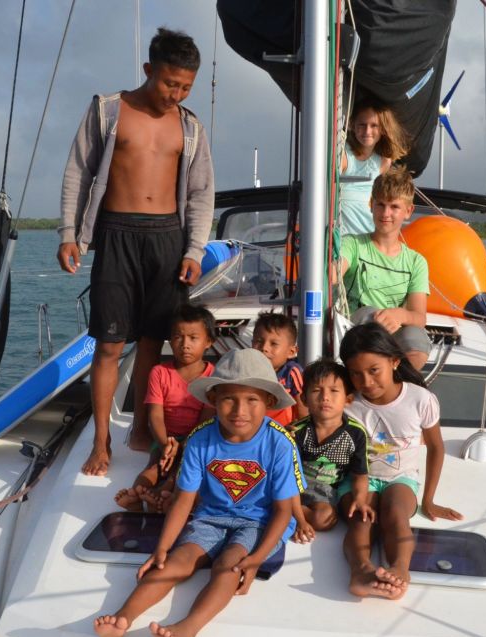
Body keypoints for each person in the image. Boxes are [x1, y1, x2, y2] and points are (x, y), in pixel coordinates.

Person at [57, 27, 214, 475]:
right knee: (108, 343)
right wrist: (69, 234)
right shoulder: (108, 110)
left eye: (185, 87)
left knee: (151, 341)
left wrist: (194, 250)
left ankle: (143, 429)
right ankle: (101, 440)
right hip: (116, 233)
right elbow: (78, 173)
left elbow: (201, 192)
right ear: (148, 70)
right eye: (169, 83)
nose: (175, 94)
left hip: (167, 237)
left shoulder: (190, 126)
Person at [93, 348, 305, 637]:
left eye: (252, 400)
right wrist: (162, 548)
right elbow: (184, 499)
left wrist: (256, 559)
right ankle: (121, 620)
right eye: (229, 399)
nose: (240, 410)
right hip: (211, 517)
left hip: (259, 522)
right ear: (214, 400)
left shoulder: (279, 443)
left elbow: (284, 510)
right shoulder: (200, 439)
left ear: (269, 402)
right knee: (175, 561)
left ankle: (187, 630)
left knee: (230, 565)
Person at [338, 322, 462, 601]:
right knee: (362, 519)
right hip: (359, 478)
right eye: (356, 374)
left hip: (401, 477)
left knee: (395, 513)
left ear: (394, 362)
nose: (366, 382)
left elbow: (436, 447)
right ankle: (360, 571)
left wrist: (428, 500)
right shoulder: (347, 402)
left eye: (374, 370)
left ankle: (400, 569)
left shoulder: (420, 399)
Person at [115, 304, 217, 511]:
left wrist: (185, 446)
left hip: (197, 439)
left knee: (185, 467)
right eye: (178, 337)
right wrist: (164, 445)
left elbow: (206, 420)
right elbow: (155, 416)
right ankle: (137, 496)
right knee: (155, 466)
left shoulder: (213, 377)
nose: (185, 344)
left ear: (208, 342)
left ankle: (166, 493)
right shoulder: (159, 373)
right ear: (170, 340)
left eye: (193, 338)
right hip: (165, 438)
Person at [337, 167, 432, 370]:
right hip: (356, 328)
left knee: (416, 336)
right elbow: (334, 275)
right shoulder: (352, 245)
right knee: (369, 313)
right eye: (380, 204)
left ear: (408, 211)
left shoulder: (416, 262)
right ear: (371, 205)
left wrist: (399, 315)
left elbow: (419, 316)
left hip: (393, 331)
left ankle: (399, 381)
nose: (386, 213)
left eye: (394, 206)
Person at [288, 359, 372, 544]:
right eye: (316, 391)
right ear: (304, 399)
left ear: (348, 399)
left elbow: (360, 475)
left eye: (334, 391)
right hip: (293, 486)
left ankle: (285, 513)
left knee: (324, 519)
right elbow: (287, 477)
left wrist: (360, 500)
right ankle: (289, 512)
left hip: (325, 491)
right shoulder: (296, 432)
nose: (325, 397)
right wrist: (301, 521)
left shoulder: (356, 434)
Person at [339, 102, 409, 237]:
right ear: (352, 125)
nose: (367, 131)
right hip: (343, 232)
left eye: (374, 125)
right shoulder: (343, 155)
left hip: (369, 228)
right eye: (362, 125)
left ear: (383, 128)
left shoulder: (384, 161)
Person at [250, 311, 308, 427]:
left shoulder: (291, 373)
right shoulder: (246, 370)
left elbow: (302, 409)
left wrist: (300, 430)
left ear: (291, 352)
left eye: (274, 344)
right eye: (259, 341)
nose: (264, 348)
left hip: (284, 431)